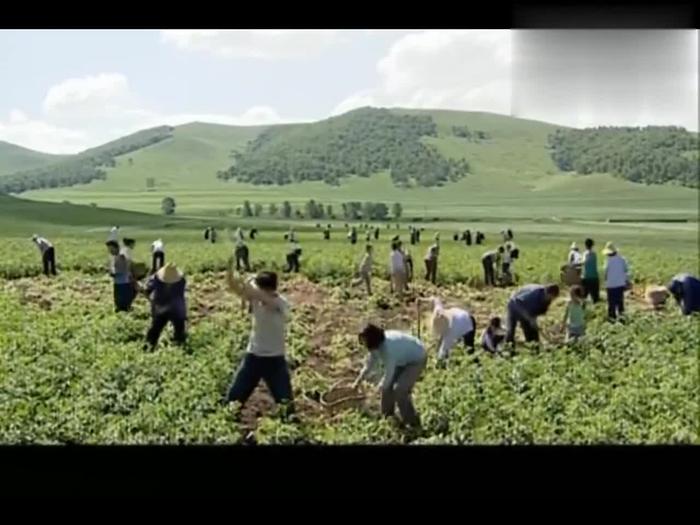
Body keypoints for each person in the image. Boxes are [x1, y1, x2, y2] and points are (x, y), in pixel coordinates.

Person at [225, 268, 294, 412]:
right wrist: (230, 274)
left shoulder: (280, 303)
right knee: (233, 400)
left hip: (275, 359)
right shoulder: (256, 299)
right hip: (253, 356)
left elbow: (262, 297)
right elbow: (235, 288)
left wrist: (250, 283)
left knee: (286, 405)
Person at [352, 323, 427, 428]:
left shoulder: (388, 349)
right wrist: (357, 381)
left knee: (400, 390)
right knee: (387, 388)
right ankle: (387, 416)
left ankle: (411, 422)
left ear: (372, 339)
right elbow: (369, 364)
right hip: (401, 359)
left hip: (416, 359)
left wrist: (377, 390)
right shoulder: (376, 345)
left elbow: (389, 374)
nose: (364, 344)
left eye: (364, 341)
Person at [418, 297, 476, 363]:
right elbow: (436, 299)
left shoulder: (450, 334)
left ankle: (475, 365)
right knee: (441, 344)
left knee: (469, 350)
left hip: (468, 323)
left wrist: (437, 361)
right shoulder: (439, 313)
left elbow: (443, 352)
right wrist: (422, 300)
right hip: (460, 316)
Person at [143, 263, 187, 349]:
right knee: (158, 330)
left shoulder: (179, 281)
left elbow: (148, 288)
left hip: (168, 308)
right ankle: (150, 347)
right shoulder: (180, 281)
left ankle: (150, 346)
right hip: (169, 308)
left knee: (159, 329)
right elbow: (149, 288)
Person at [603, 242, 629, 321]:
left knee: (611, 304)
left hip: (611, 285)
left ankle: (612, 319)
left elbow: (605, 273)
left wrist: (605, 281)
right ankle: (621, 318)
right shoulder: (622, 259)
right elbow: (626, 270)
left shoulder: (608, 261)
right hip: (620, 285)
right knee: (620, 302)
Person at [106, 240, 135, 312]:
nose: (110, 251)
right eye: (109, 249)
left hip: (123, 283)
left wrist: (112, 273)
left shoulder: (121, 256)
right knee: (120, 303)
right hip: (120, 283)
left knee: (122, 304)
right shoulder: (117, 256)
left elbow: (121, 270)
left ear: (116, 248)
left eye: (111, 249)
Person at [581, 238, 600, 303]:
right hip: (594, 277)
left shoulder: (586, 254)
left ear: (585, 245)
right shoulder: (594, 254)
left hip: (586, 277)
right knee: (595, 297)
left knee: (583, 297)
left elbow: (583, 262)